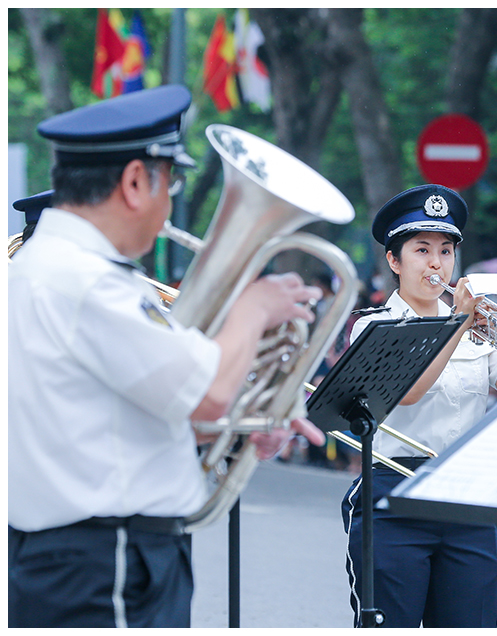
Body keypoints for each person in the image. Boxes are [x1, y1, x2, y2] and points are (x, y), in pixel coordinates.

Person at [8, 85, 326, 628]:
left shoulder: (54, 269)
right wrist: (252, 310)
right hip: (106, 559)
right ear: (135, 181)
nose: (171, 204)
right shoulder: (84, 281)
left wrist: (248, 420)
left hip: (94, 553)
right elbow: (207, 396)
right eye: (170, 182)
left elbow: (124, 421)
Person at [340, 184, 497, 628]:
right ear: (394, 261)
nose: (436, 263)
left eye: (446, 251)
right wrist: (459, 324)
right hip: (393, 495)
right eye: (422, 250)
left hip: (466, 494)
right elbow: (406, 390)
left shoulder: (471, 328)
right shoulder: (373, 326)